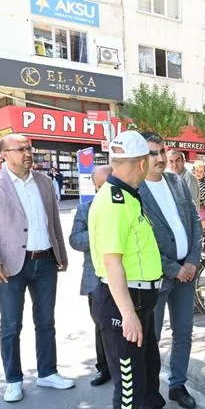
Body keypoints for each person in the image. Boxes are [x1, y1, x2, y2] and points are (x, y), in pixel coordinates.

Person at [88, 130, 190, 409]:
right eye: (149, 158)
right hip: (124, 303)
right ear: (139, 162)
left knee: (145, 368)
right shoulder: (116, 201)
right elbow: (112, 262)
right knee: (128, 379)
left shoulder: (128, 195)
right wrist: (128, 314)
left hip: (139, 300)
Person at [0, 133, 74, 402]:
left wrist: (60, 253)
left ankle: (47, 372)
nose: (27, 153)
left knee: (46, 322)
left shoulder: (44, 182)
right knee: (10, 325)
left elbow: (53, 220)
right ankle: (14, 380)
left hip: (45, 261)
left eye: (29, 148)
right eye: (20, 150)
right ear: (4, 154)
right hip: (10, 266)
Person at [139, 131, 203, 409]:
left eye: (162, 151)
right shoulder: (136, 191)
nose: (160, 158)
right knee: (151, 338)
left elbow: (195, 223)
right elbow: (142, 242)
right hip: (157, 277)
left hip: (186, 274)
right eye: (153, 153)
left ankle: (177, 384)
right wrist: (173, 269)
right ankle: (150, 392)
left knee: (184, 332)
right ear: (141, 157)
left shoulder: (176, 182)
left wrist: (191, 261)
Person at [69, 164, 114, 387]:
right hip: (96, 278)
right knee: (101, 325)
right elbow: (75, 240)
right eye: (101, 186)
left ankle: (123, 368)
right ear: (96, 187)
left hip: (126, 276)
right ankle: (104, 368)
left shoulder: (125, 205)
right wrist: (99, 234)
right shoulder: (85, 209)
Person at [194, 160, 205, 252]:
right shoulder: (191, 181)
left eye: (201, 171)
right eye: (197, 171)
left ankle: (204, 243)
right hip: (195, 209)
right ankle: (204, 243)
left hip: (202, 210)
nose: (199, 173)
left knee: (202, 230)